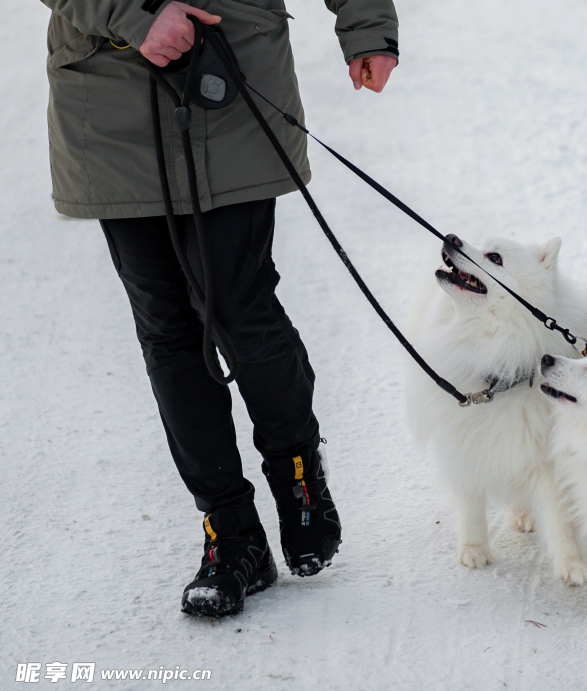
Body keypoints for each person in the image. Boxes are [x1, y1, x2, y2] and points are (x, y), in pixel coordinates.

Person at [40, 0, 398, 616]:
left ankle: (298, 476)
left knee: (239, 306)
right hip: (107, 92)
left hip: (230, 74)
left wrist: (365, 25)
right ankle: (230, 536)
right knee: (168, 330)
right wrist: (131, 16)